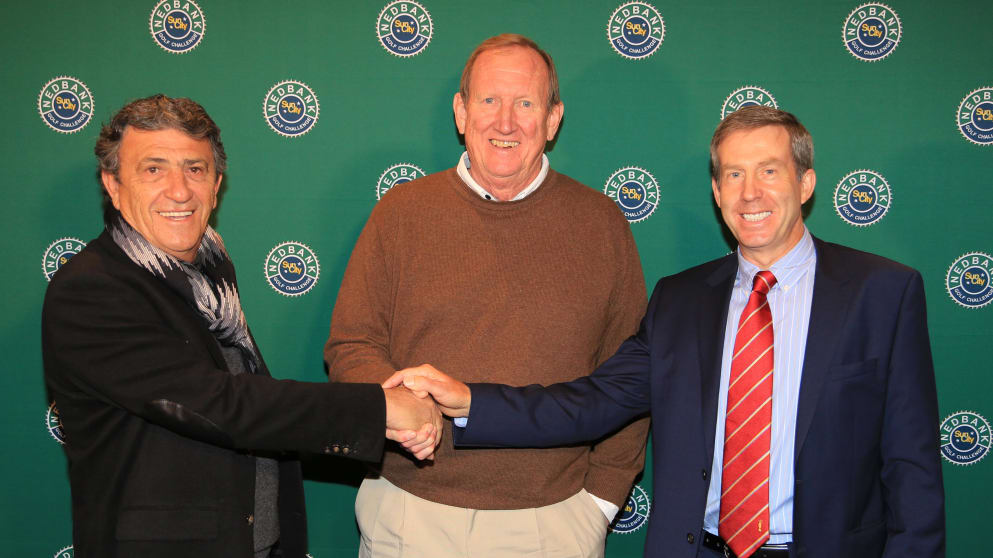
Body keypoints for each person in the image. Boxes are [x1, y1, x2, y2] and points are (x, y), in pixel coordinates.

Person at [388, 106, 946, 558]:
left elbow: (912, 470)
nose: (750, 192)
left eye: (769, 171)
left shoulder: (882, 293)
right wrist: (468, 400)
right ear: (717, 191)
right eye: (733, 174)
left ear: (805, 183)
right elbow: (591, 402)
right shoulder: (679, 301)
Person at [42, 94, 440, 558]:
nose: (179, 190)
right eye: (153, 170)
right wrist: (378, 409)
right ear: (113, 185)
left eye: (195, 169)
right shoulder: (92, 290)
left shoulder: (208, 275)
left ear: (216, 185)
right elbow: (216, 403)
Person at [325, 34, 650, 558]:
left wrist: (601, 503)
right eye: (488, 100)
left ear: (552, 119)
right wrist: (400, 408)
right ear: (461, 111)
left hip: (555, 522)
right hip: (410, 513)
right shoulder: (402, 213)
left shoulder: (601, 223)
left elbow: (631, 377)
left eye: (525, 103)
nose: (505, 122)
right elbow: (352, 345)